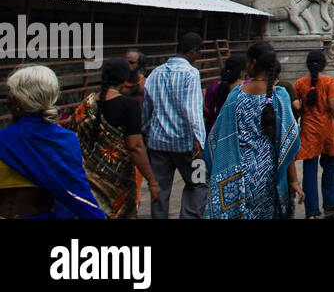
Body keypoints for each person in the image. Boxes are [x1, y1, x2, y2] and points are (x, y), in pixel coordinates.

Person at [204, 40, 302, 219]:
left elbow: (217, 137)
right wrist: (294, 181)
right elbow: (286, 145)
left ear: (253, 63)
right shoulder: (280, 97)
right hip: (269, 174)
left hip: (237, 172)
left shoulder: (236, 95)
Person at [0, 65, 104, 219]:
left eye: (9, 93)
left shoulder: (3, 139)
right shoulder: (65, 141)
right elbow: (77, 194)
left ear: (17, 100)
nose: (6, 99)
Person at [70, 56, 159, 218]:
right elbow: (136, 147)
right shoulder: (129, 105)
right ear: (125, 78)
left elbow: (73, 139)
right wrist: (152, 181)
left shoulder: (85, 104)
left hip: (88, 184)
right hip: (119, 185)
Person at [142, 31, 206, 219]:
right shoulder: (191, 73)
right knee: (199, 181)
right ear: (193, 52)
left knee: (160, 187)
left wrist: (146, 133)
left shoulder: (155, 73)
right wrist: (200, 140)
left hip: (158, 142)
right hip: (187, 143)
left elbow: (147, 107)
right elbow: (193, 111)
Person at [292, 49, 334, 219]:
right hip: (328, 131)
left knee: (310, 170)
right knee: (329, 168)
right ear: (325, 64)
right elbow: (333, 106)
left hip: (309, 131)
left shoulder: (300, 83)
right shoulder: (330, 82)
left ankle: (311, 212)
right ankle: (330, 207)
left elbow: (297, 108)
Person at [204, 55, 244, 134]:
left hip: (218, 130)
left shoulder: (214, 87)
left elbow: (208, 111)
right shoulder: (246, 87)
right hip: (238, 132)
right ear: (242, 71)